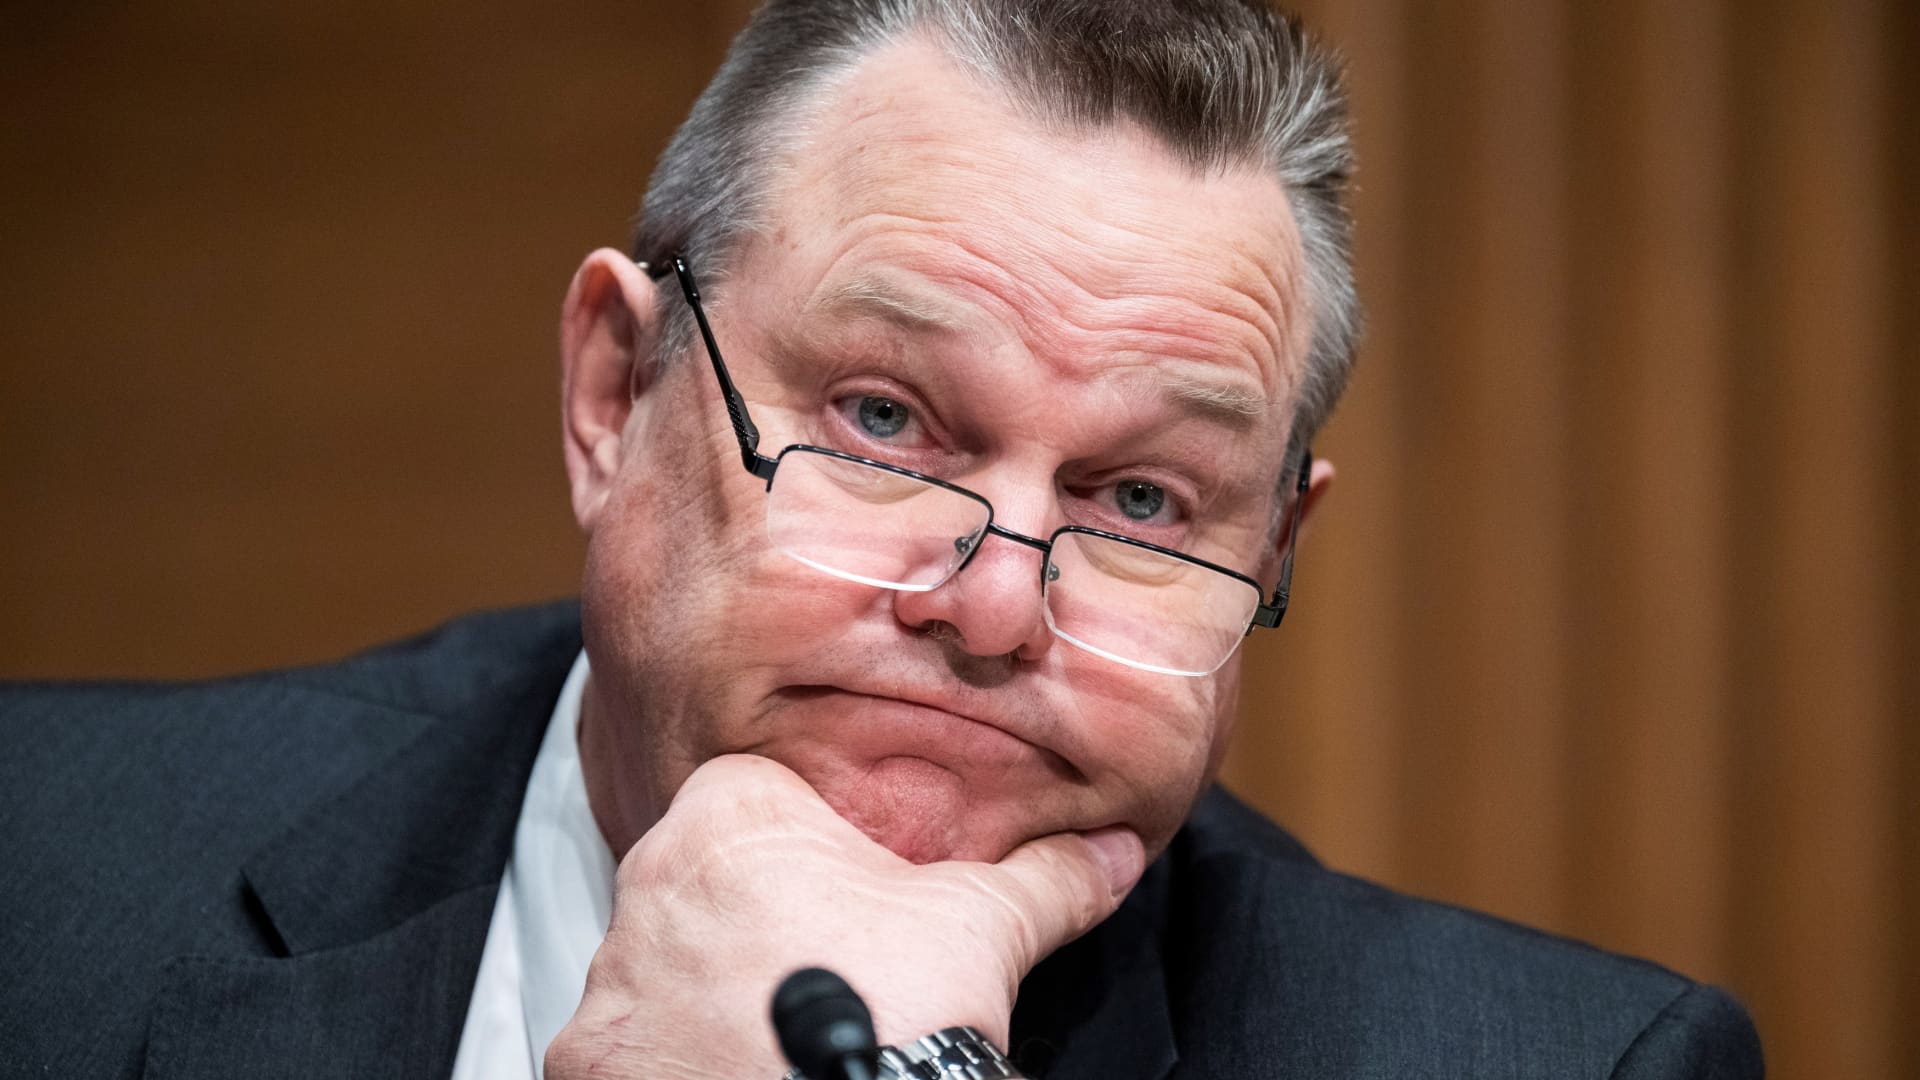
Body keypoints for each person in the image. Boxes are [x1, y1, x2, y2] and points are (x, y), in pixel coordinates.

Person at [0, 1, 1763, 1077]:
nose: (998, 604)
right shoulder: (41, 879)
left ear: (1277, 559)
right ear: (617, 395)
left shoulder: (1556, 1065)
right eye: (884, 420)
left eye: (1141, 502)